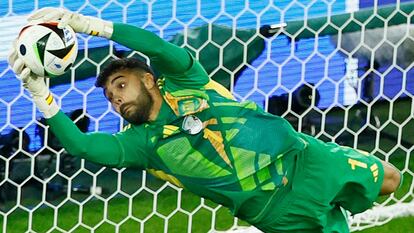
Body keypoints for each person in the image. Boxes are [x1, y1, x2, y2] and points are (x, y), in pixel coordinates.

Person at [8, 8, 402, 233]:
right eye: (110, 97)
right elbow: (80, 146)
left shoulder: (185, 79)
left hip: (308, 159)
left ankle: (337, 210)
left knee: (391, 179)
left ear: (148, 79)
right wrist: (41, 96)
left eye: (121, 86)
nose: (116, 100)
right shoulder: (139, 143)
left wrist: (87, 24)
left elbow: (157, 47)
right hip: (275, 212)